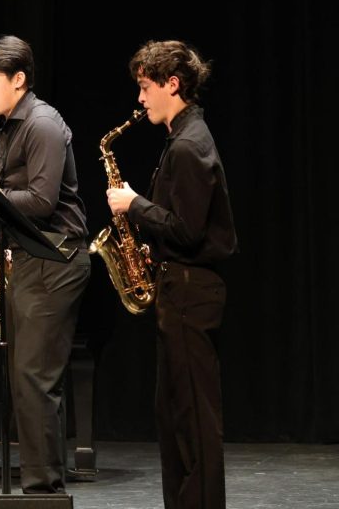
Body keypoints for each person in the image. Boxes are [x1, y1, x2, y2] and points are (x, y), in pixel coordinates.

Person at [0, 34, 90, 494]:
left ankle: (42, 490)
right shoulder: (8, 125)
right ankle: (46, 479)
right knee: (30, 377)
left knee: (32, 378)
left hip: (56, 259)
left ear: (19, 79)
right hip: (31, 259)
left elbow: (43, 200)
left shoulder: (42, 124)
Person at [106, 40, 236, 509]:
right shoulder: (184, 139)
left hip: (189, 291)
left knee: (194, 419)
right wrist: (149, 243)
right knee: (175, 414)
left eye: (145, 88)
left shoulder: (189, 145)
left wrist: (134, 205)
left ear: (172, 84)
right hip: (178, 286)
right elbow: (181, 224)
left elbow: (187, 229)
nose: (140, 100)